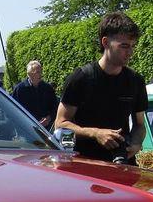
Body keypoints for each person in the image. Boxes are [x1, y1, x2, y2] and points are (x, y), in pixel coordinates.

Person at [55, 12, 147, 164]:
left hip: (121, 163)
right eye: (124, 46)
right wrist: (96, 133)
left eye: (132, 46)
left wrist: (136, 144)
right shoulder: (81, 78)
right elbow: (61, 124)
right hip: (85, 166)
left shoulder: (135, 81)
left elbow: (140, 125)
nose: (130, 52)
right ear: (105, 42)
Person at [11, 60, 59, 128]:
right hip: (27, 129)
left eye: (41, 71)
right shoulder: (20, 89)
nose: (41, 74)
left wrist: (49, 118)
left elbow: (55, 107)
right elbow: (14, 110)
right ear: (30, 74)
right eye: (38, 72)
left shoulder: (48, 88)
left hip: (46, 129)